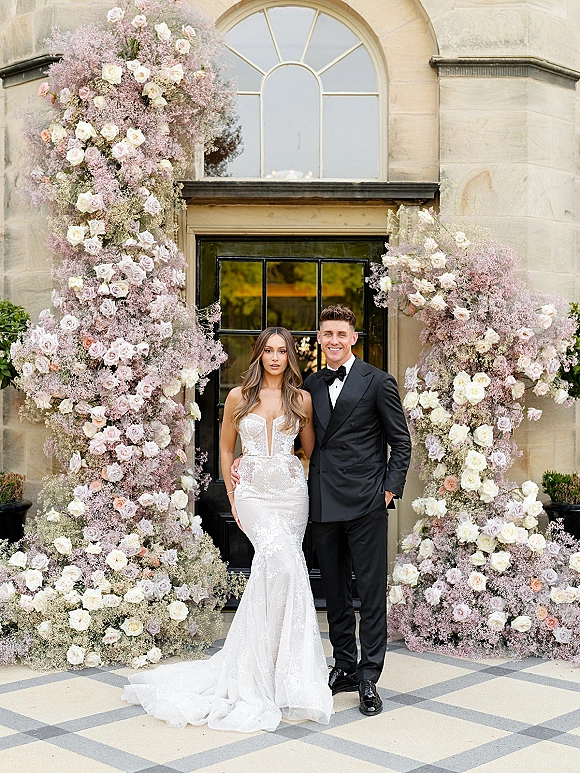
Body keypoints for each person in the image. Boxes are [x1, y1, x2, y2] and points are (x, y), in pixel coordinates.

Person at [122, 327, 333, 732]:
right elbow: (224, 446)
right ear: (259, 354)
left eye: (282, 351)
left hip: (291, 495)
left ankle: (278, 669)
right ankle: (256, 672)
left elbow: (311, 448)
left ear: (291, 356)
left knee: (280, 573)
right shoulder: (239, 396)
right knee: (281, 563)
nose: (275, 357)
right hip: (252, 492)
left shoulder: (301, 399)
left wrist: (296, 471)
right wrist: (234, 495)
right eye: (268, 350)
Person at [303, 304, 411, 717]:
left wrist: (388, 491)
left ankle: (369, 677)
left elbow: (400, 442)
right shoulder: (311, 383)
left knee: (369, 592)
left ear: (353, 338)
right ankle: (344, 665)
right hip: (325, 500)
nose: (333, 340)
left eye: (340, 334)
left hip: (367, 501)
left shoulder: (378, 381)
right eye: (326, 334)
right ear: (319, 338)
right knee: (334, 591)